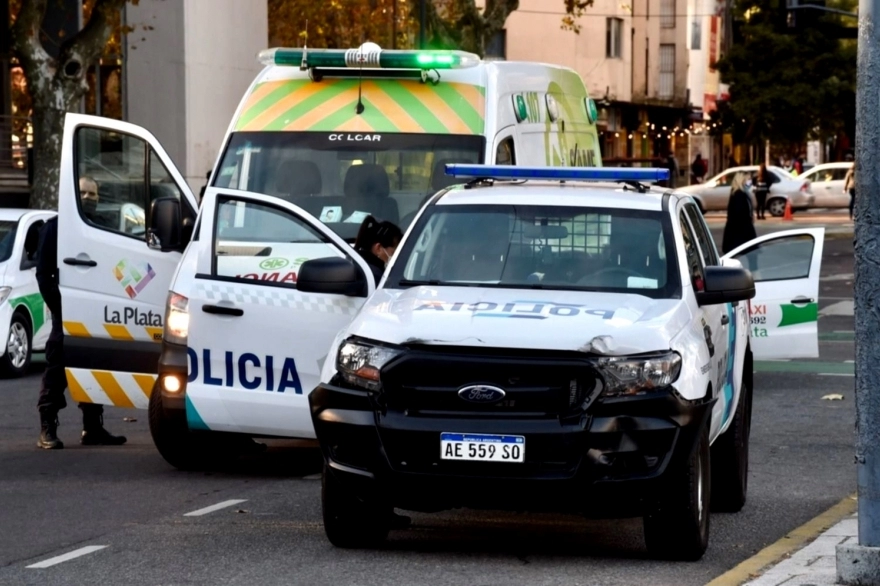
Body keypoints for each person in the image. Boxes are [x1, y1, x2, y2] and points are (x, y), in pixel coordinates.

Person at [36, 178, 128, 449]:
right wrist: (63, 309)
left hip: (96, 314)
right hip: (66, 315)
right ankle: (47, 428)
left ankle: (93, 427)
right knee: (57, 371)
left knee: (94, 368)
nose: (88, 198)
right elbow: (44, 276)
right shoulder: (54, 228)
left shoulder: (102, 228)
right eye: (83, 193)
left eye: (92, 194)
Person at [354, 215, 403, 285]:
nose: (396, 256)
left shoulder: (357, 263)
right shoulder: (375, 276)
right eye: (394, 252)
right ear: (378, 248)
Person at [722, 172, 757, 255]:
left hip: (742, 229)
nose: (750, 181)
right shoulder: (738, 194)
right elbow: (739, 213)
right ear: (742, 180)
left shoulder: (742, 193)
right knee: (748, 253)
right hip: (740, 230)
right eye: (748, 179)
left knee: (749, 253)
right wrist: (749, 218)